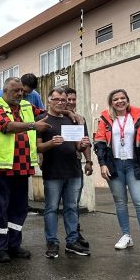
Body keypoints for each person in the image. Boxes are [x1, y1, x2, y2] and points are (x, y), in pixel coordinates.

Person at [0, 77, 50, 263]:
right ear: (5, 91)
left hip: (23, 166)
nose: (21, 93)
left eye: (22, 90)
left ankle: (14, 245)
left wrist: (72, 114)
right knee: (0, 208)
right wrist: (32, 125)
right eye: (16, 91)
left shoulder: (27, 107)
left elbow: (48, 114)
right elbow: (7, 127)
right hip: (1, 167)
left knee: (19, 208)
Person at [93, 89, 140, 255]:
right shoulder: (105, 119)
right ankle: (126, 236)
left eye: (123, 98)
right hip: (114, 165)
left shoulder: (137, 117)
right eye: (116, 99)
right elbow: (99, 143)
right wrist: (102, 164)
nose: (120, 101)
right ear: (111, 102)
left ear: (127, 100)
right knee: (120, 203)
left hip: (134, 165)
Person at [37, 87, 93, 258]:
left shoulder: (73, 120)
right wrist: (51, 144)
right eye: (57, 100)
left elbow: (78, 145)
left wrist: (82, 146)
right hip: (52, 171)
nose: (61, 103)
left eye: (64, 100)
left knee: (71, 208)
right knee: (51, 208)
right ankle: (52, 242)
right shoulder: (42, 119)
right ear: (49, 101)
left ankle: (72, 241)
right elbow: (37, 147)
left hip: (73, 171)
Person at [64, 87, 92, 249]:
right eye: (69, 99)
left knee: (73, 203)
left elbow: (85, 140)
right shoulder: (54, 117)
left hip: (75, 165)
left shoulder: (80, 119)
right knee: (53, 207)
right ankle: (52, 240)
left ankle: (75, 234)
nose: (71, 102)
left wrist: (89, 161)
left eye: (74, 99)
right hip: (56, 168)